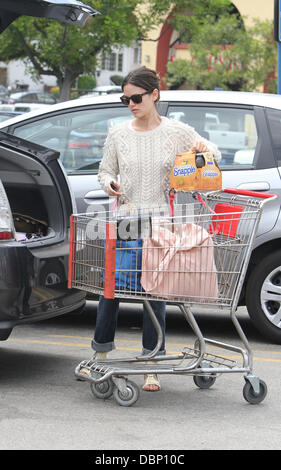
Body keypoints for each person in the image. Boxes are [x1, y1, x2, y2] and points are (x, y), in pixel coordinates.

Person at [84, 66, 221, 392]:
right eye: (125, 98)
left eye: (136, 97)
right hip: (128, 219)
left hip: (161, 220)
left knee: (153, 290)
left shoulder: (176, 132)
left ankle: (151, 362)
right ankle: (100, 356)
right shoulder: (118, 134)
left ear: (154, 94)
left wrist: (200, 156)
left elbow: (212, 153)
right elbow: (104, 172)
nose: (130, 103)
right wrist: (111, 183)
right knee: (112, 290)